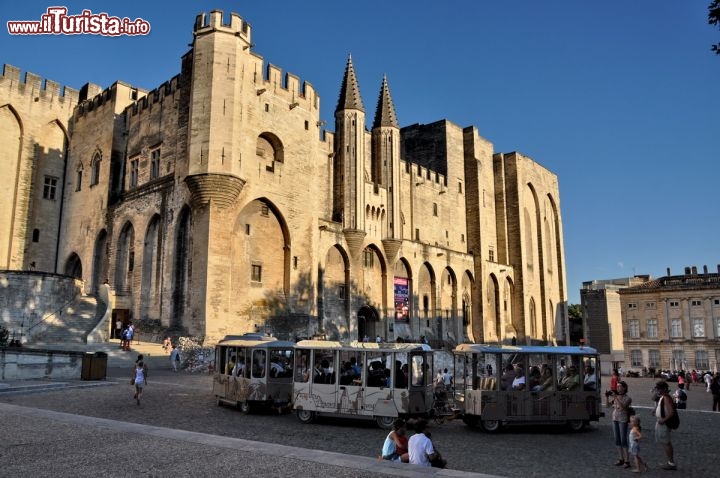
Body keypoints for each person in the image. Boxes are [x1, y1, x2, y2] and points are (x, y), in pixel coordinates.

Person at [654, 381, 677, 471]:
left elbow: (671, 412)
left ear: (663, 389)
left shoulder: (666, 398)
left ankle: (671, 463)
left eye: (658, 389)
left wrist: (663, 420)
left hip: (663, 423)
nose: (657, 390)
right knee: (664, 442)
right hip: (660, 421)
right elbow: (654, 399)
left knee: (666, 442)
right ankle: (670, 462)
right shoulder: (663, 396)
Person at [611, 380, 632, 468]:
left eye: (620, 386)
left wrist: (616, 398)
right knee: (617, 440)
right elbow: (609, 405)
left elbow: (623, 407)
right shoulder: (617, 397)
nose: (618, 388)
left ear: (624, 388)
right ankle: (621, 458)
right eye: (617, 386)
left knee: (623, 439)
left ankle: (627, 460)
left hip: (623, 419)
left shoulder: (628, 398)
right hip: (615, 419)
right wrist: (607, 397)